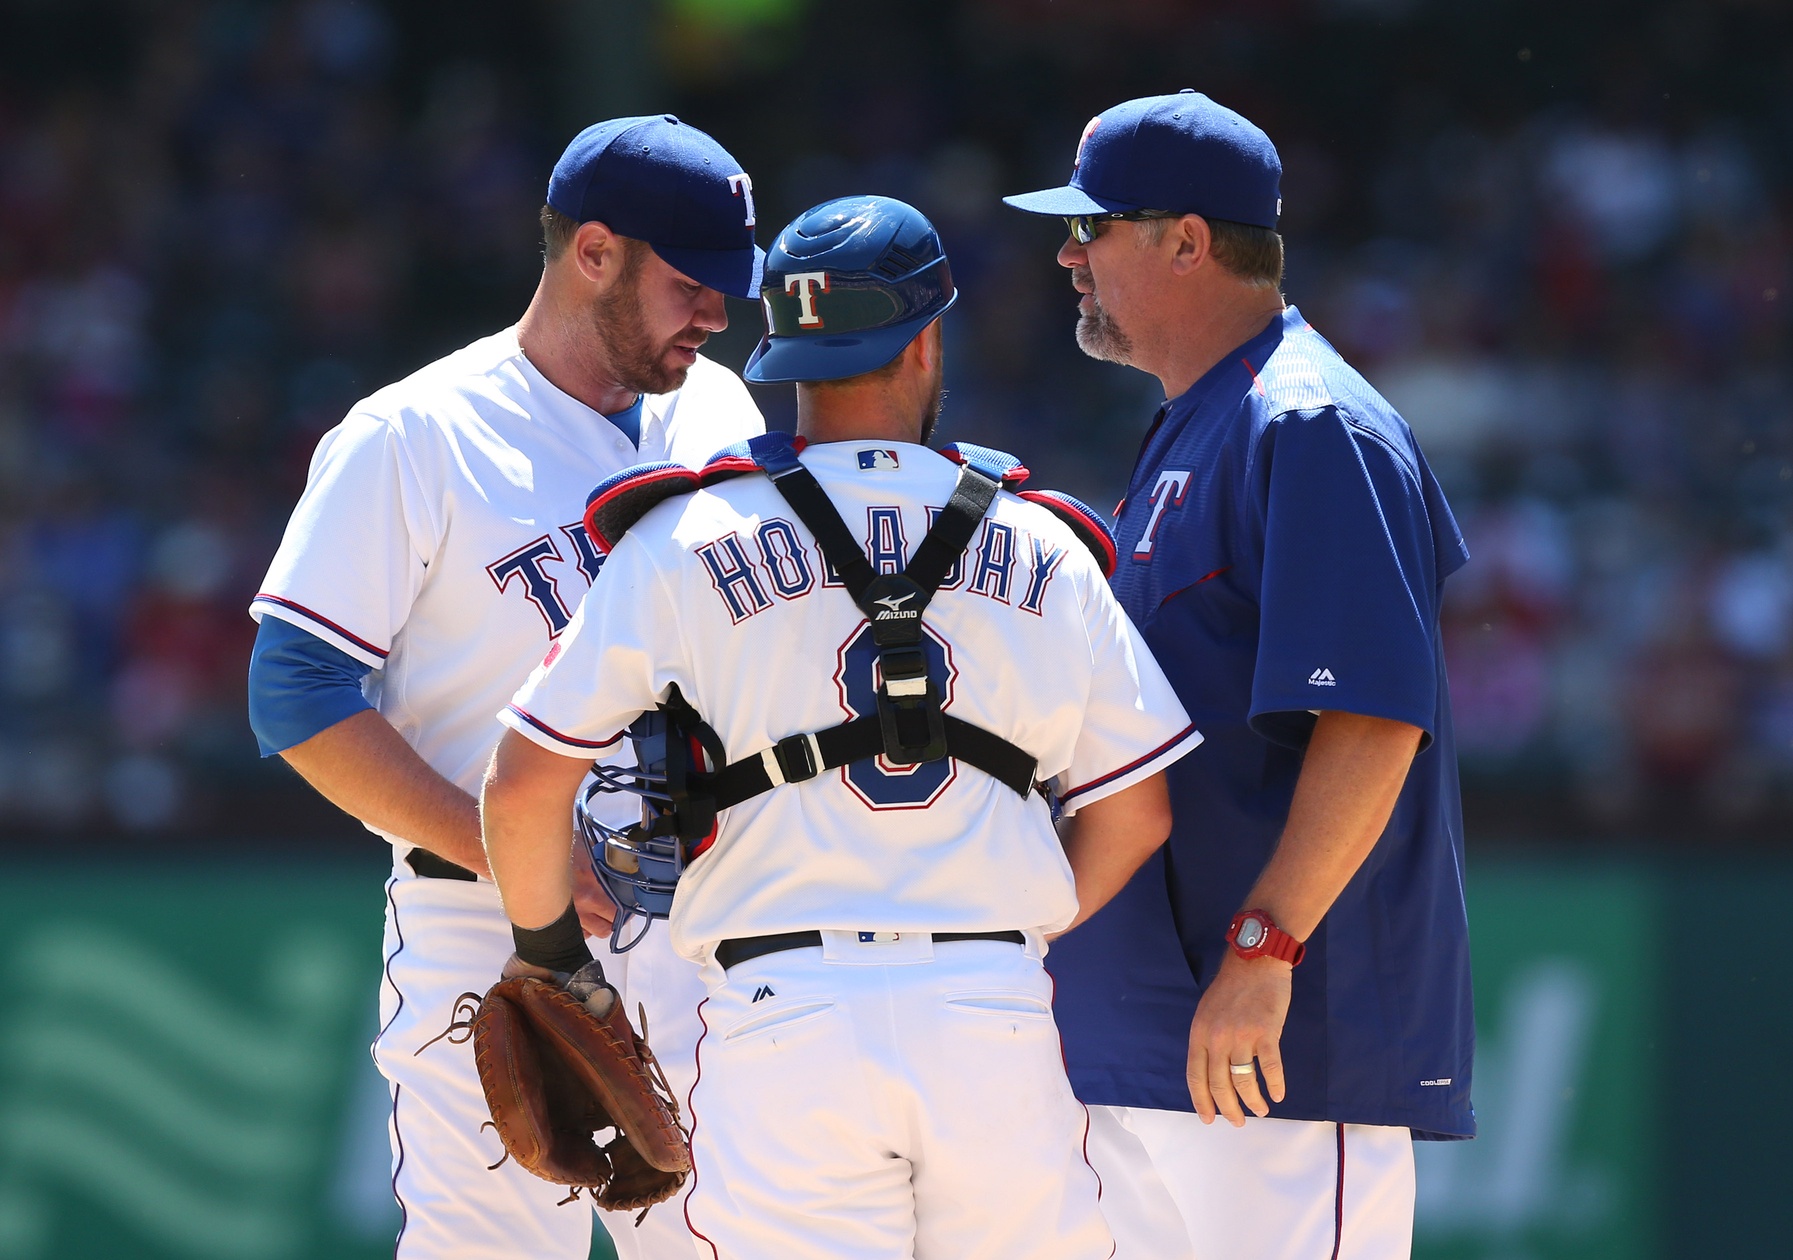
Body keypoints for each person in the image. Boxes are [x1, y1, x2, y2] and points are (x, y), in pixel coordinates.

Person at [478, 194, 1205, 1260]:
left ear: (785, 351)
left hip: (784, 1016)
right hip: (989, 1010)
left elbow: (522, 784)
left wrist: (551, 963)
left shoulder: (685, 531)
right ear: (926, 337)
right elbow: (1136, 810)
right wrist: (1003, 923)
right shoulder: (1043, 544)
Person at [245, 115, 765, 1260]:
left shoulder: (726, 411)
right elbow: (295, 691)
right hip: (479, 924)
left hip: (699, 920)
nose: (718, 314)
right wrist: (518, 858)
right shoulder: (417, 434)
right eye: (690, 285)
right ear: (592, 254)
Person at [1002, 91, 1476, 1259]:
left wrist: (1264, 951)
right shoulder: (1198, 417)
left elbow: (1372, 720)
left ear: (1186, 240)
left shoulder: (1306, 421)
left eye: (1090, 227)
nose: (1066, 254)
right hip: (1158, 1031)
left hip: (1279, 1039)